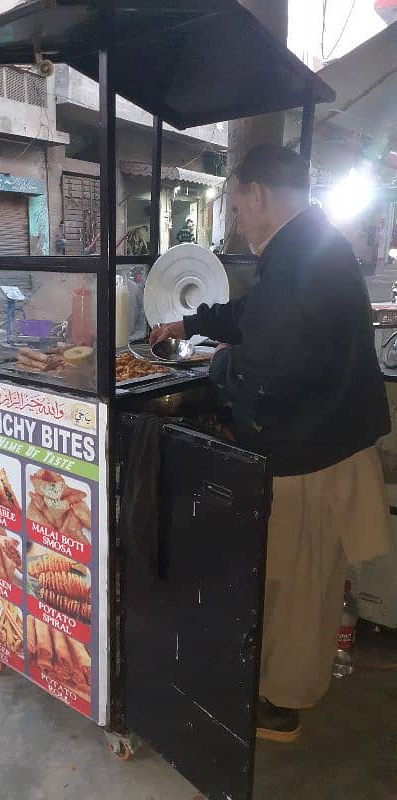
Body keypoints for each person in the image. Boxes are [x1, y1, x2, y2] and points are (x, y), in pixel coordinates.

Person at [150, 145, 391, 743]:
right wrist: (194, 324)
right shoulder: (306, 245)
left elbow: (265, 366)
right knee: (294, 582)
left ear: (257, 195)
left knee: (300, 587)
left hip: (316, 453)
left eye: (236, 204)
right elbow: (258, 315)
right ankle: (279, 686)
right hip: (328, 438)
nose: (237, 219)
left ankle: (281, 707)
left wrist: (218, 369)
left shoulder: (301, 254)